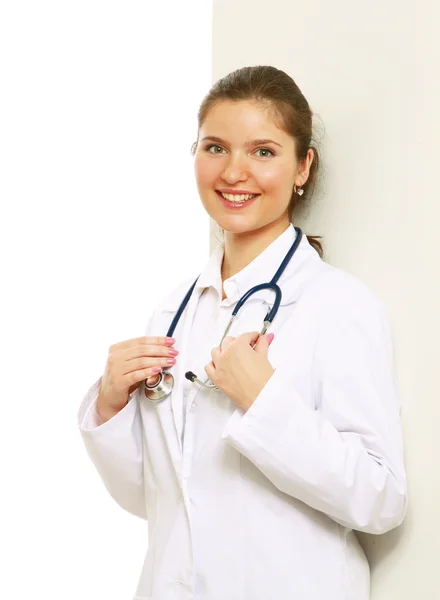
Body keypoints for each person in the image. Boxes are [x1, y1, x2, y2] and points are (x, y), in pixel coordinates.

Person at [78, 65, 407, 600]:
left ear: (304, 166)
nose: (234, 172)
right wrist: (112, 406)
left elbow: (381, 498)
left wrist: (265, 402)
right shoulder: (174, 311)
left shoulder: (339, 306)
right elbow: (155, 500)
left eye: (263, 151)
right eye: (215, 148)